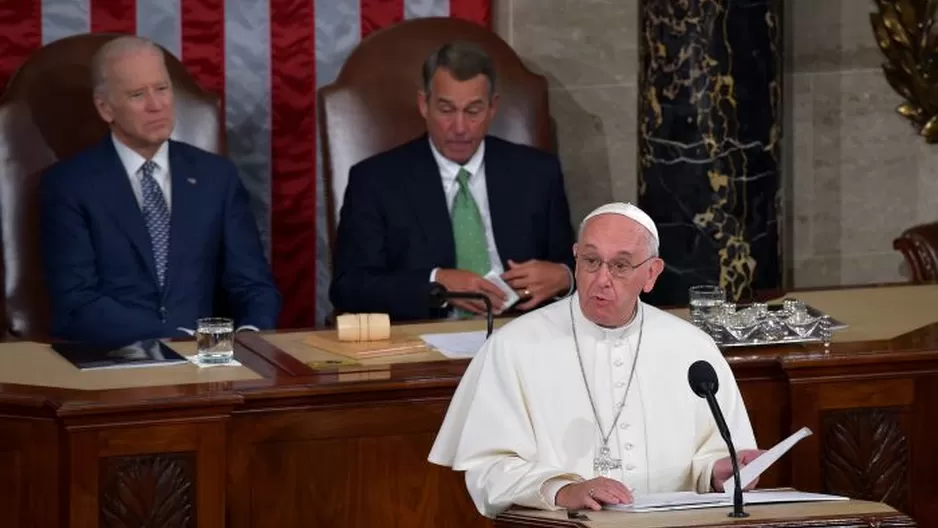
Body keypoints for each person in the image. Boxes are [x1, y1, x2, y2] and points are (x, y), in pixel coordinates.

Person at [427, 202, 762, 518]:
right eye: (591, 261)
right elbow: (486, 468)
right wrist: (561, 489)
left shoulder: (692, 347)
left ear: (651, 274)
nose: (602, 279)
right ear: (575, 258)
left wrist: (717, 471)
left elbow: (717, 457)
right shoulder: (514, 346)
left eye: (620, 265)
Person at [40, 36, 280, 346]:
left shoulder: (215, 176)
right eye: (137, 94)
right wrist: (173, 338)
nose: (156, 105)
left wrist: (250, 337)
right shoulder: (70, 184)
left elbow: (252, 285)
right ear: (105, 108)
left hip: (206, 365)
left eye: (162, 89)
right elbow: (76, 303)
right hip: (116, 360)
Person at [330, 41, 575, 322]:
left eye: (473, 111)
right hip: (425, 343)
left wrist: (564, 277)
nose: (459, 128)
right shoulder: (375, 180)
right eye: (446, 110)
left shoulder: (538, 173)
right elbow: (349, 287)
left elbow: (577, 266)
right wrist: (436, 283)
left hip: (522, 336)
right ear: (424, 104)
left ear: (492, 107)